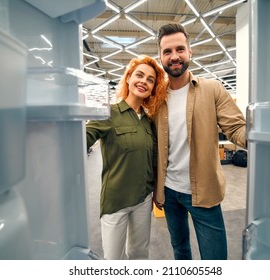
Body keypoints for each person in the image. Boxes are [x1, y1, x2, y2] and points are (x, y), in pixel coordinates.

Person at [153, 23, 247, 260]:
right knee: (180, 250)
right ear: (160, 57)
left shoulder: (212, 89)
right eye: (167, 51)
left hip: (204, 191)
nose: (174, 56)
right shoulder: (155, 98)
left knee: (215, 259)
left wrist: (260, 137)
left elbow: (236, 128)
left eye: (180, 49)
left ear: (190, 52)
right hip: (169, 190)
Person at [86, 55, 167, 260]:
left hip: (143, 199)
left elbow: (154, 161)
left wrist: (156, 193)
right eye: (139, 75)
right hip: (116, 202)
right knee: (114, 260)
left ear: (152, 88)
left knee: (140, 255)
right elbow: (82, 140)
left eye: (150, 80)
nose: (144, 82)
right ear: (129, 78)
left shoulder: (149, 122)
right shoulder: (108, 113)